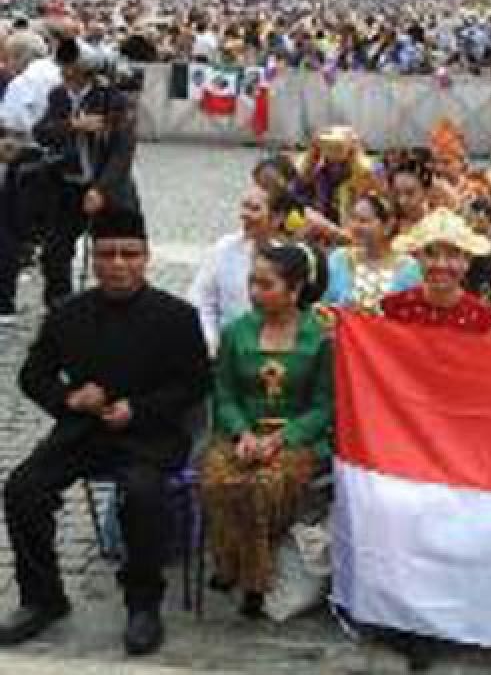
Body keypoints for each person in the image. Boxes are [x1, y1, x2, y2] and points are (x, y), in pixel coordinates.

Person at [1, 209, 211, 654]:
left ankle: (142, 604)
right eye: (107, 254)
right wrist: (68, 400)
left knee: (141, 495)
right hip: (82, 433)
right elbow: (33, 376)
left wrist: (138, 409)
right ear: (93, 260)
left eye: (128, 254)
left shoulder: (177, 317)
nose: (118, 264)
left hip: (148, 437)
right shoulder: (68, 313)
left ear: (145, 258)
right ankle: (42, 597)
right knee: (23, 489)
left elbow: (194, 384)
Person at [201, 242, 333, 619]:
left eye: (266, 285)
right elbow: (224, 394)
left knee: (263, 486)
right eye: (252, 283)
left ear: (294, 290)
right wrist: (243, 434)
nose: (255, 292)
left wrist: (281, 439)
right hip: (242, 434)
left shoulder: (319, 337)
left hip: (299, 439)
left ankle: (255, 579)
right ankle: (232, 560)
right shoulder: (236, 332)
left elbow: (324, 406)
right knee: (219, 479)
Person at [9, 38, 137, 313]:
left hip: (108, 189)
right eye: (63, 67)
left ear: (85, 70)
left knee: (117, 251)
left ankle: (121, 306)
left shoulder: (112, 99)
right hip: (67, 187)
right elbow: (42, 132)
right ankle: (61, 310)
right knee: (55, 253)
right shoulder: (58, 95)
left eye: (70, 67)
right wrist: (73, 125)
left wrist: (100, 190)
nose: (65, 72)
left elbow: (122, 153)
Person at [188, 182, 288, 356]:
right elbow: (201, 301)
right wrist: (211, 343)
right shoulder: (223, 249)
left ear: (277, 217)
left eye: (255, 209)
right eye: (244, 207)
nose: (245, 215)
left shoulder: (288, 257)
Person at [381, 208, 491, 335]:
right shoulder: (394, 308)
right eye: (431, 254)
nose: (441, 264)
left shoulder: (484, 319)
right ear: (417, 257)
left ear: (466, 261)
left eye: (452, 254)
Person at [323, 193, 421, 313]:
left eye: (364, 221)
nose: (355, 226)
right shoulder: (338, 259)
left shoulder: (408, 269)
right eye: (353, 219)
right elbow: (323, 306)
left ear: (388, 226)